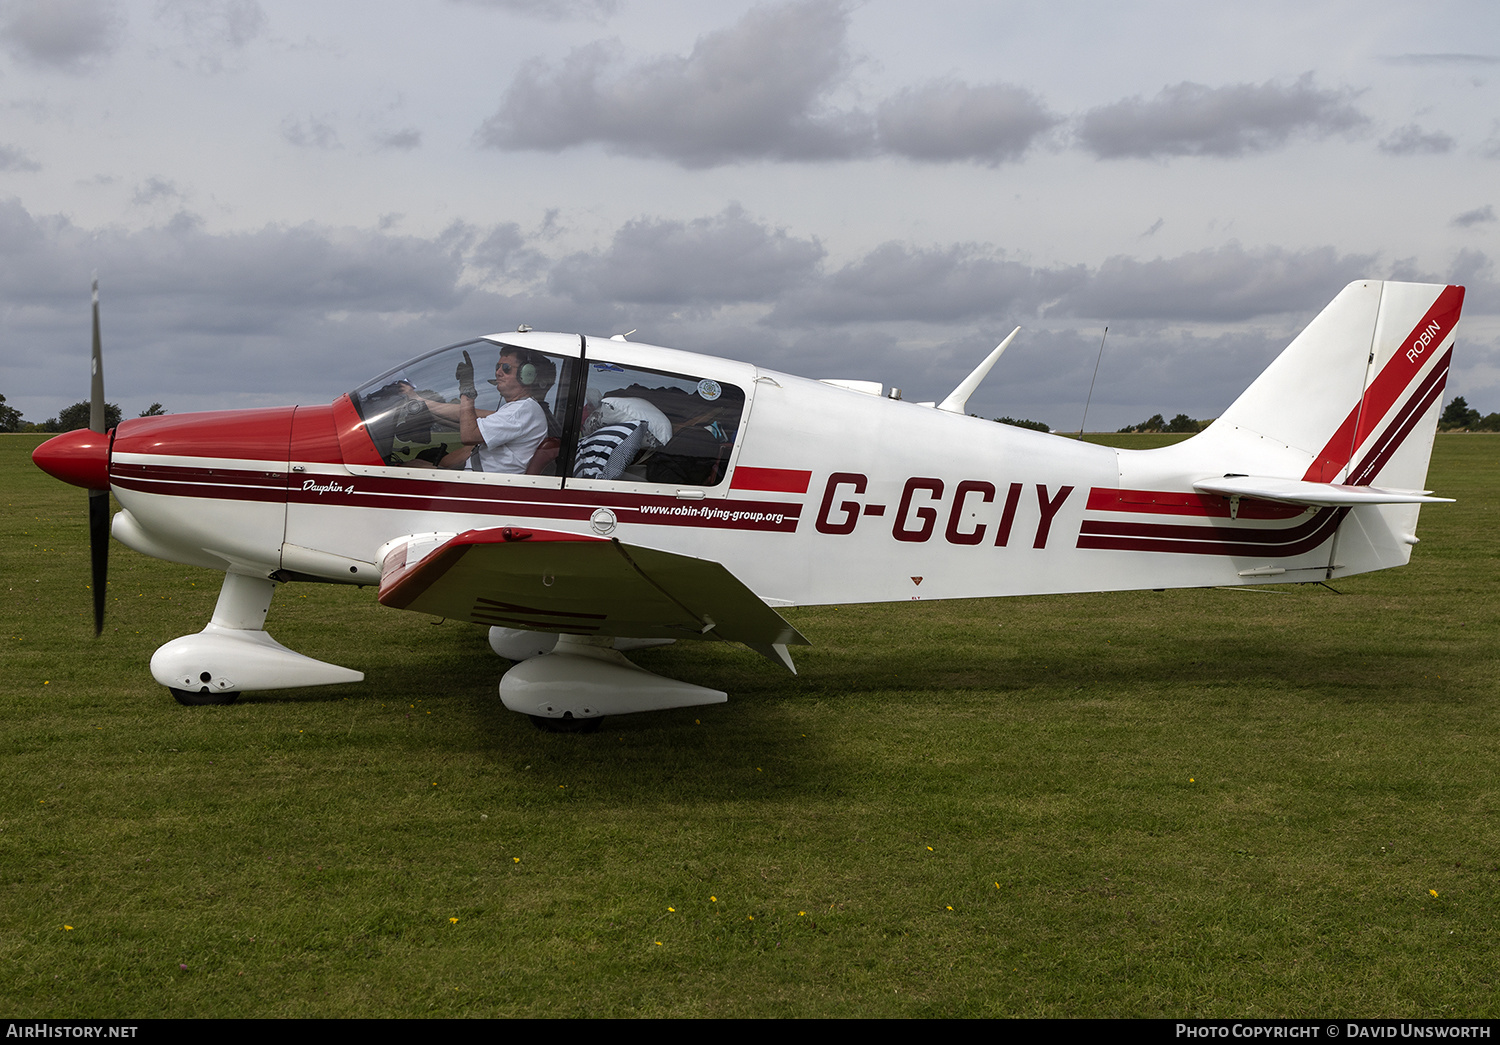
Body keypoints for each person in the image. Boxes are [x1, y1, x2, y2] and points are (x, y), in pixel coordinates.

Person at [400, 348, 551, 473]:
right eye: (497, 367)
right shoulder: (519, 410)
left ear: (527, 375)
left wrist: (467, 390)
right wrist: (420, 401)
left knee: (406, 469)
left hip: (485, 488)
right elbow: (465, 414)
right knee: (416, 463)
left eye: (506, 368)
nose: (498, 372)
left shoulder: (521, 411)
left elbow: (469, 434)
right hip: (479, 481)